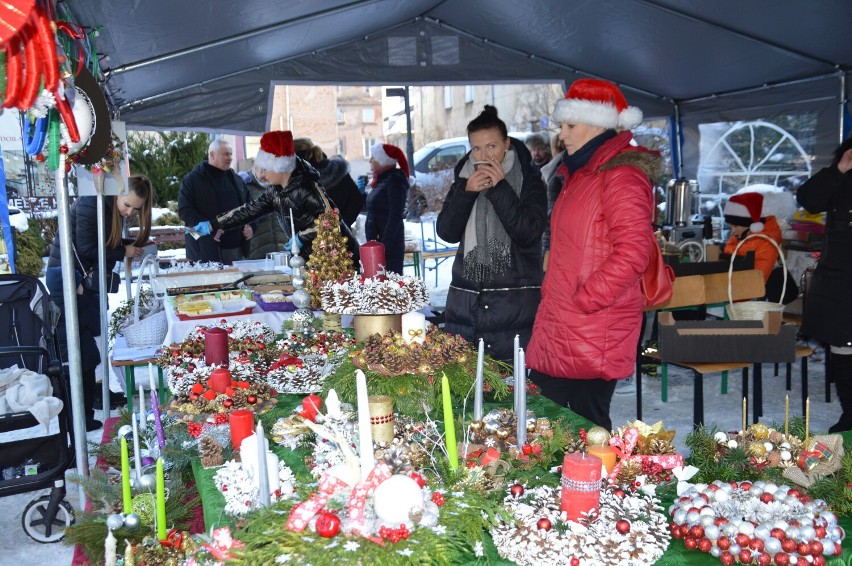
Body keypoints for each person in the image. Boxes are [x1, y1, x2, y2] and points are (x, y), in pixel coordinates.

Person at [526, 79, 659, 430]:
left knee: (585, 429)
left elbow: (633, 251)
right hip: (566, 321)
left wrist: (587, 298)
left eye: (570, 125)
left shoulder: (622, 175)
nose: (562, 134)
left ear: (598, 123)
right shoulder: (582, 172)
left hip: (593, 325)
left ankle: (595, 486)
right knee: (547, 423)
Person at [436, 106, 546, 361]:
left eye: (492, 147)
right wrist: (466, 193)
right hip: (467, 304)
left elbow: (528, 233)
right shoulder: (464, 178)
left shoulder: (528, 179)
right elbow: (446, 232)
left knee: (509, 391)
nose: (484, 156)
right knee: (467, 390)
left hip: (512, 309)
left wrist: (500, 189)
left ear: (506, 144)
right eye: (476, 149)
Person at [46, 175, 154, 431]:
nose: (128, 212)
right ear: (117, 192)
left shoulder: (105, 206)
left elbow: (101, 243)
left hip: (77, 280)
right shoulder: (91, 204)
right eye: (127, 205)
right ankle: (77, 418)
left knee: (88, 351)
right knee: (79, 354)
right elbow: (86, 247)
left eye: (134, 210)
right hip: (67, 278)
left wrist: (128, 246)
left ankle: (86, 410)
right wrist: (123, 251)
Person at [211, 130, 360, 265]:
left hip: (339, 260)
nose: (262, 175)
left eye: (265, 169)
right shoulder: (274, 192)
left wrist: (301, 237)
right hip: (312, 260)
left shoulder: (307, 187)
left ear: (279, 166)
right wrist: (214, 223)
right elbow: (249, 210)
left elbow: (331, 220)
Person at [796, 136, 852, 432]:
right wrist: (839, 169)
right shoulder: (842, 171)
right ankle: (851, 414)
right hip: (841, 282)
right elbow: (808, 199)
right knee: (843, 347)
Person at [178, 139, 254, 264]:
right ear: (212, 155)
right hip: (203, 251)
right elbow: (184, 211)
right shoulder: (191, 179)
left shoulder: (237, 180)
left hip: (235, 251)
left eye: (230, 154)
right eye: (225, 154)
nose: (230, 158)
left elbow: (251, 207)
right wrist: (210, 227)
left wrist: (252, 226)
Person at [294, 138, 365, 228]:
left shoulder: (299, 176)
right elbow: (356, 201)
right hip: (340, 237)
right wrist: (341, 226)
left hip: (310, 237)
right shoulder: (337, 169)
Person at [365, 142, 410, 275]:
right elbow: (373, 207)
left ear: (382, 160)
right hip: (378, 241)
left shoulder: (394, 179)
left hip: (388, 244)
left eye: (373, 157)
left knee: (388, 283)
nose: (370, 160)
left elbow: (395, 214)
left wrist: (384, 245)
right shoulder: (381, 179)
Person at [722, 191, 781, 281]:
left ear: (752, 226)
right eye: (731, 226)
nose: (733, 231)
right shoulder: (739, 237)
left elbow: (757, 279)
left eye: (735, 226)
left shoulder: (767, 243)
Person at [238, 166, 288, 260]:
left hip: (282, 249)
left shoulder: (280, 183)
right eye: (263, 170)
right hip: (256, 249)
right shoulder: (243, 184)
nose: (266, 175)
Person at [540, 133, 566, 262]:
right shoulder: (557, 168)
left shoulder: (558, 170)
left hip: (557, 239)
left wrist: (546, 249)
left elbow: (552, 215)